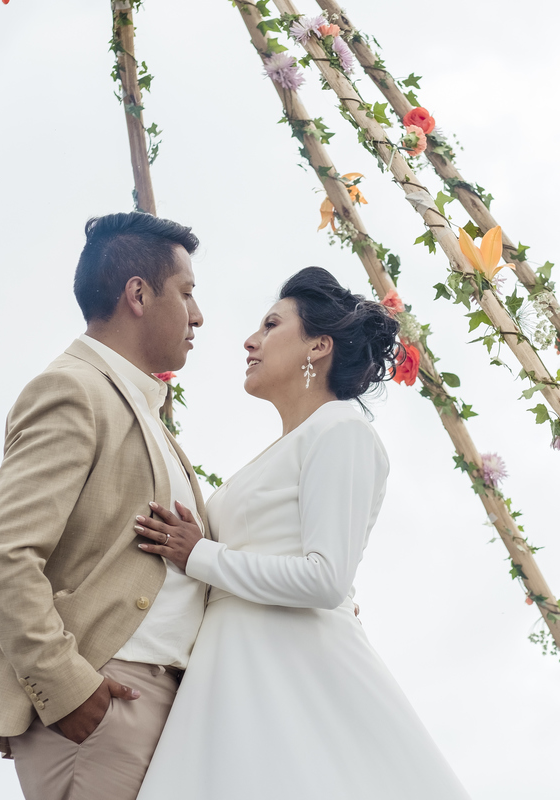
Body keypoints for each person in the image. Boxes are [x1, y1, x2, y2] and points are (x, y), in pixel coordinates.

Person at [132, 267, 472, 799]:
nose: (250, 341)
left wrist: (200, 554)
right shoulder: (285, 447)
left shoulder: (342, 429)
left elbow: (325, 579)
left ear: (318, 345)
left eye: (270, 325)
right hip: (230, 671)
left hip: (293, 670)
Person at [0, 211, 210, 800]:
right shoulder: (73, 389)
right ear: (138, 294)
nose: (198, 314)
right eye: (186, 293)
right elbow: (0, 553)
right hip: (109, 700)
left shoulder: (141, 406)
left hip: (165, 704)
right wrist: (67, 687)